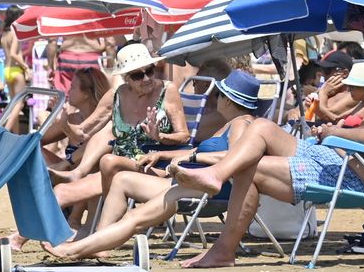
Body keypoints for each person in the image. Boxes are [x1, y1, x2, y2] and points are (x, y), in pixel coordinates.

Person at [46, 70, 265, 260]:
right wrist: (162, 152)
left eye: (218, 94)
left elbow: (233, 158)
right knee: (122, 180)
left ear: (227, 100)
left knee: (133, 214)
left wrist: (192, 160)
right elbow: (195, 150)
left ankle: (78, 248)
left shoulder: (241, 125)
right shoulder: (230, 125)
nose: (214, 99)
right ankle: (97, 245)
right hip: (186, 183)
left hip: (207, 192)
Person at [168, 108, 364, 269]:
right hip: (337, 158)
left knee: (248, 168)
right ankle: (216, 173)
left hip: (351, 174)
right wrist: (336, 130)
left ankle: (224, 248)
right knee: (262, 126)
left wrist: (335, 133)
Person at [52, 43, 188, 225]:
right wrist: (65, 124)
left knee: (106, 162)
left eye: (150, 70)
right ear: (126, 78)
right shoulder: (116, 94)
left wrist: (160, 137)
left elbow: (184, 136)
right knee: (66, 188)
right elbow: (81, 134)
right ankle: (21, 237)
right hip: (119, 167)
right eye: (138, 75)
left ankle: (102, 226)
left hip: (153, 166)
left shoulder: (167, 91)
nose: (146, 78)